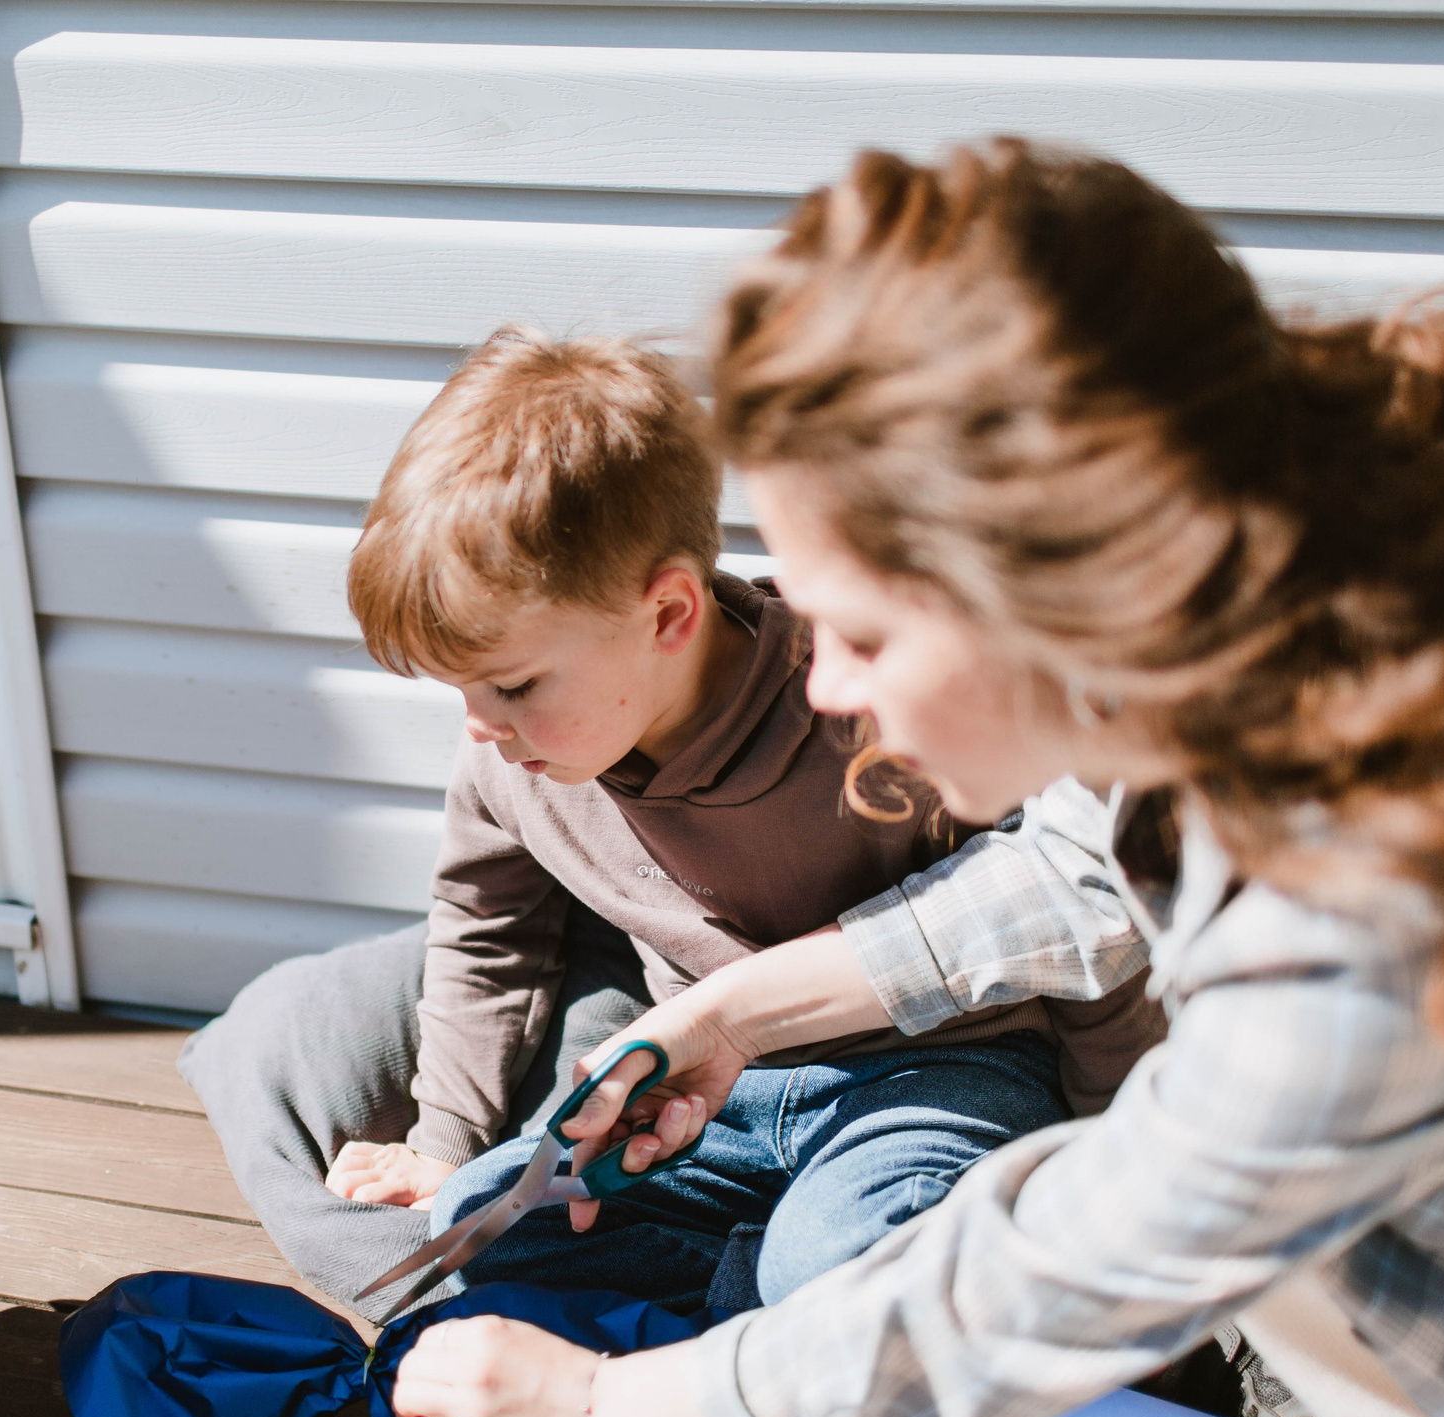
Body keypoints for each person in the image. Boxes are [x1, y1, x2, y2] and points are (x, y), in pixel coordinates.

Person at [380, 142, 1444, 1417]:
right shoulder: (1359, 574)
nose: (829, 678)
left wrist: (606, 1410)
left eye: (860, 626)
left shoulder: (1394, 880)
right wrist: (726, 1014)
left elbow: (1047, 1274)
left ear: (1041, 586)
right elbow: (1073, 864)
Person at [181, 327, 1160, 1319]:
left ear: (667, 616)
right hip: (702, 1106)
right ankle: (771, 1306)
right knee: (479, 1218)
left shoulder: (869, 701)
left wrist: (1116, 1157)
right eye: (461, 692)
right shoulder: (514, 756)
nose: (479, 727)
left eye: (513, 684)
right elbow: (484, 934)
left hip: (932, 1080)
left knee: (833, 1262)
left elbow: (1064, 919)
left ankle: (769, 1322)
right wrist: (441, 1147)